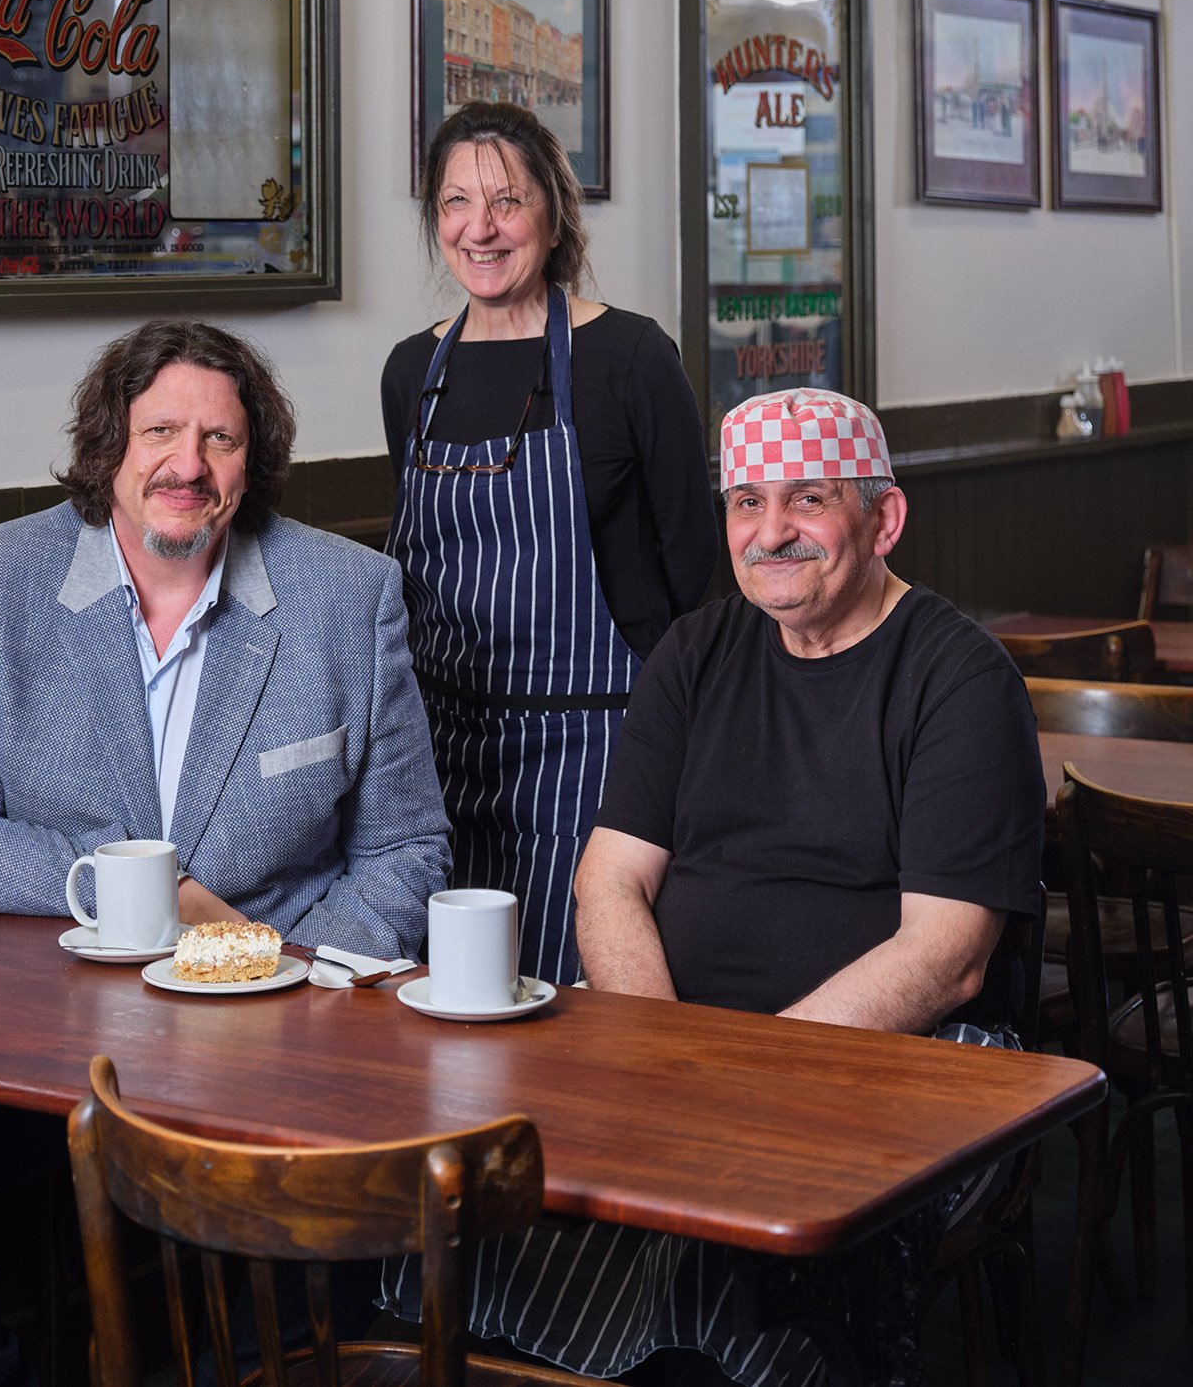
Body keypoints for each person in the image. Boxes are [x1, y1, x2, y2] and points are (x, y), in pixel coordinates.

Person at [0, 318, 451, 1387]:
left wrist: (280, 972)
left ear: (254, 461)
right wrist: (143, 891)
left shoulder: (345, 595)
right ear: (107, 447)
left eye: (220, 440)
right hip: (42, 1049)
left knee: (307, 1218)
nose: (186, 466)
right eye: (159, 432)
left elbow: (406, 847)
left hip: (273, 1054)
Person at [382, 388, 1044, 1385]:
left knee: (732, 1277)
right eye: (743, 504)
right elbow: (608, 878)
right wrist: (662, 1060)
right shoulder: (695, 652)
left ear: (881, 520)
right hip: (674, 1047)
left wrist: (738, 1079)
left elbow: (944, 960)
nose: (767, 532)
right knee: (465, 1216)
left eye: (805, 501)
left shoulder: (958, 676)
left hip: (904, 1064)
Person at [381, 101, 716, 985]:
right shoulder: (413, 373)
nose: (479, 229)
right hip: (441, 756)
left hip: (599, 753)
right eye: (455, 203)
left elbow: (697, 580)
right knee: (452, 1001)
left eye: (506, 201)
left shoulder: (633, 359)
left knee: (579, 1008)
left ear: (555, 213)